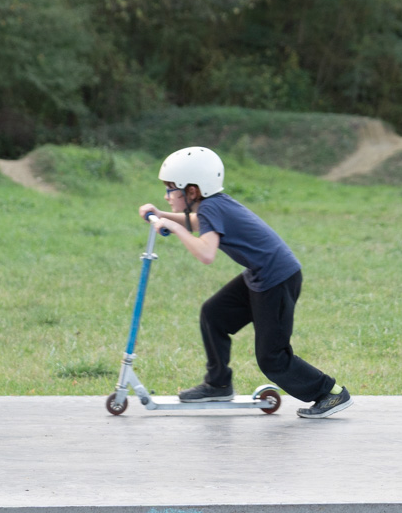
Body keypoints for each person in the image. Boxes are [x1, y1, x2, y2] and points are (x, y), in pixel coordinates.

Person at [136, 146, 351, 418]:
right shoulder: (212, 205)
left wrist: (175, 227)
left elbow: (206, 253)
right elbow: (197, 222)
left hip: (278, 278)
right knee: (214, 314)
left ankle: (330, 393)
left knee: (272, 358)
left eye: (170, 189)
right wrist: (162, 215)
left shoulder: (211, 207)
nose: (167, 196)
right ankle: (218, 384)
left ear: (192, 191)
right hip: (261, 274)